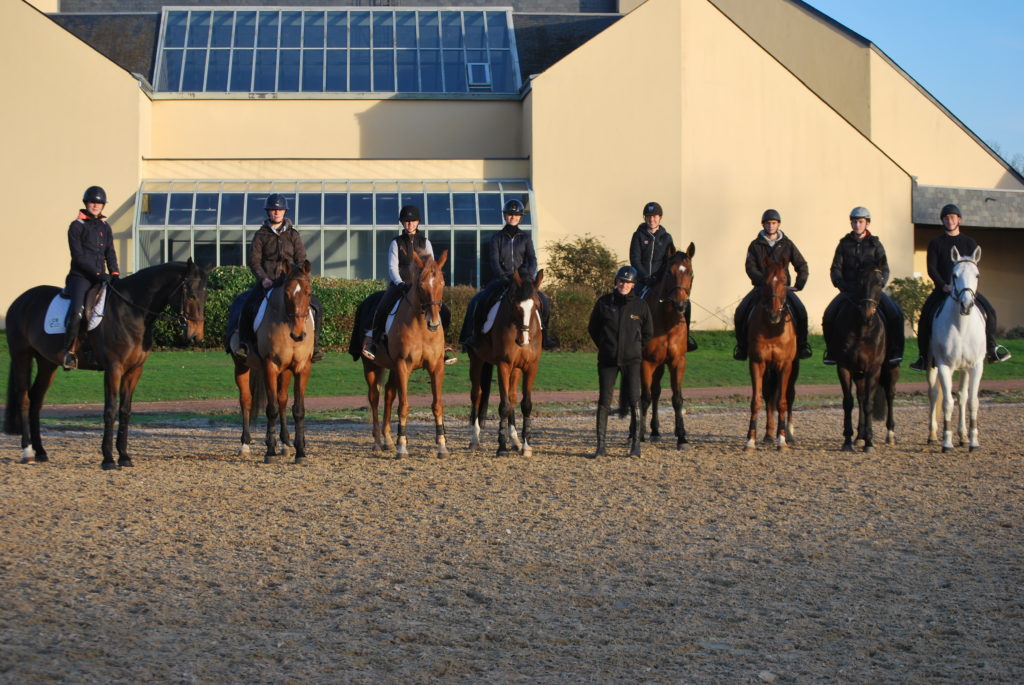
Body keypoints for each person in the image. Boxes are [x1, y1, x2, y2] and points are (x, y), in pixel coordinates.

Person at [909, 203, 1011, 370]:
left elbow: (974, 269)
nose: (949, 221)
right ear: (943, 221)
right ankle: (923, 357)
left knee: (991, 312)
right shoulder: (935, 243)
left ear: (959, 220)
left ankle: (992, 349)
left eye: (952, 217)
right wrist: (943, 285)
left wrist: (969, 287)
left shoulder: (969, 242)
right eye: (946, 218)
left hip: (966, 290)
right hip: (944, 290)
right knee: (924, 317)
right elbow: (931, 269)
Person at [233, 193, 324, 362]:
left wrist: (300, 278)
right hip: (268, 282)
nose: (276, 212)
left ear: (284, 212)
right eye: (273, 210)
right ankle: (245, 345)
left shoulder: (293, 235)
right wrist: (263, 279)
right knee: (247, 306)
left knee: (317, 306)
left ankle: (315, 346)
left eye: (280, 209)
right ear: (268, 212)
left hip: (290, 282)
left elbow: (301, 258)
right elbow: (254, 261)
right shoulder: (260, 235)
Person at [361, 204, 456, 364]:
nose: (409, 224)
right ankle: (374, 343)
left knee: (444, 312)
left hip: (421, 288)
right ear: (402, 223)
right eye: (406, 221)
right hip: (400, 286)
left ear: (418, 222)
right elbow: (392, 267)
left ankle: (442, 345)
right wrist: (399, 283)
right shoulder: (396, 242)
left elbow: (432, 268)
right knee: (381, 307)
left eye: (412, 221)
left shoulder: (425, 243)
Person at [460, 199, 558, 350]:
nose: (513, 217)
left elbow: (532, 259)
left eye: (516, 215)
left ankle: (546, 337)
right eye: (510, 214)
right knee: (478, 300)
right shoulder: (496, 238)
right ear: (505, 216)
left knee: (544, 301)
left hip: (522, 281)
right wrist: (503, 276)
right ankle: (473, 337)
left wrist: (529, 276)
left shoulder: (525, 238)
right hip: (502, 279)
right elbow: (494, 261)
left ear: (520, 217)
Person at [821, 206, 905, 365]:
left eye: (860, 222)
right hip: (850, 291)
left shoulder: (875, 244)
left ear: (867, 223)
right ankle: (832, 351)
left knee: (895, 314)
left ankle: (895, 351)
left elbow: (884, 268)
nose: (857, 225)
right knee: (829, 315)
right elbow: (835, 268)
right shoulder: (844, 244)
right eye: (854, 222)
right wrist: (841, 284)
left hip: (871, 292)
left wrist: (879, 285)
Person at [587, 265, 653, 458]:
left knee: (634, 400)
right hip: (607, 361)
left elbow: (648, 333)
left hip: (632, 361)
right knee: (604, 401)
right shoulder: (604, 302)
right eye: (621, 281)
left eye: (628, 282)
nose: (624, 284)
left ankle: (635, 445)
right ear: (616, 282)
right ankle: (601, 446)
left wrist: (635, 348)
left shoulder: (641, 306)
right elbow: (593, 328)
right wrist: (605, 345)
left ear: (633, 285)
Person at [733, 208, 812, 361]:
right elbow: (750, 267)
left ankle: (802, 345)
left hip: (782, 290)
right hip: (761, 288)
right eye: (768, 223)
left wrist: (799, 284)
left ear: (778, 224)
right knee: (740, 311)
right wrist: (763, 282)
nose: (771, 226)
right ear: (763, 224)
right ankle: (742, 347)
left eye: (774, 223)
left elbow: (801, 265)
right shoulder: (755, 245)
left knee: (801, 310)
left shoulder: (787, 244)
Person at [62, 185, 120, 370]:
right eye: (92, 202)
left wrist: (114, 273)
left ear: (103, 206)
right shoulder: (76, 226)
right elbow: (78, 257)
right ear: (86, 203)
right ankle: (69, 352)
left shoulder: (105, 226)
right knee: (78, 313)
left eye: (99, 203)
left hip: (101, 278)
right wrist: (98, 274)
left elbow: (110, 252)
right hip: (81, 277)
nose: (95, 205)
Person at [629, 201, 697, 351]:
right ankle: (630, 337)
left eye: (654, 216)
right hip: (641, 281)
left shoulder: (666, 238)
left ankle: (687, 337)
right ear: (645, 218)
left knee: (686, 303)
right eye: (648, 216)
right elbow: (635, 259)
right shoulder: (638, 236)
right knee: (631, 302)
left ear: (660, 218)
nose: (651, 219)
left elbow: (669, 261)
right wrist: (645, 277)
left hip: (660, 281)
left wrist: (658, 277)